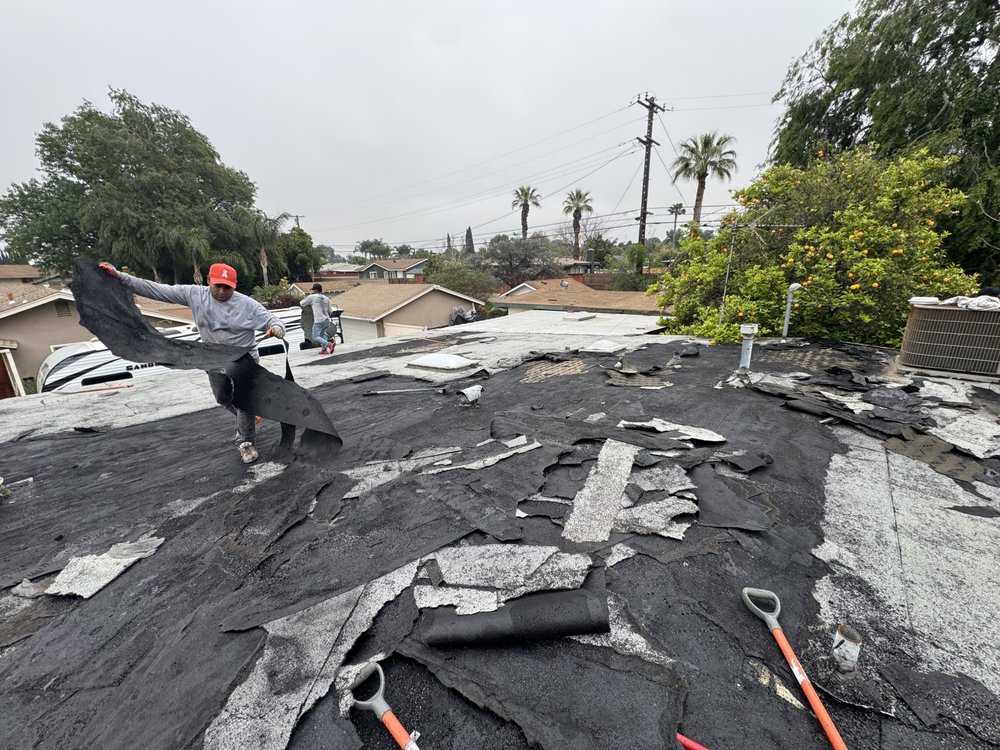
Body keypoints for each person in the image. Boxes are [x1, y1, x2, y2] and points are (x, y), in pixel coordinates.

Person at [98, 261, 285, 464]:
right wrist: (119, 276)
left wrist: (276, 329)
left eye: (227, 287)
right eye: (218, 286)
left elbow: (272, 320)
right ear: (208, 281)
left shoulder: (247, 305)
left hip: (243, 359)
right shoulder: (194, 294)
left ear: (235, 285)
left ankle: (246, 442)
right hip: (212, 357)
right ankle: (245, 417)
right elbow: (157, 290)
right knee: (222, 397)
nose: (222, 291)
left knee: (244, 400)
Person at [300, 283, 336, 355]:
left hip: (318, 320)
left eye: (313, 290)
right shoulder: (327, 298)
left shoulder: (312, 297)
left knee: (315, 336)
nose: (313, 291)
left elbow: (302, 303)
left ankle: (329, 345)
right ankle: (324, 350)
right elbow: (330, 312)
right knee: (322, 335)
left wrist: (309, 301)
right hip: (326, 320)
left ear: (316, 290)